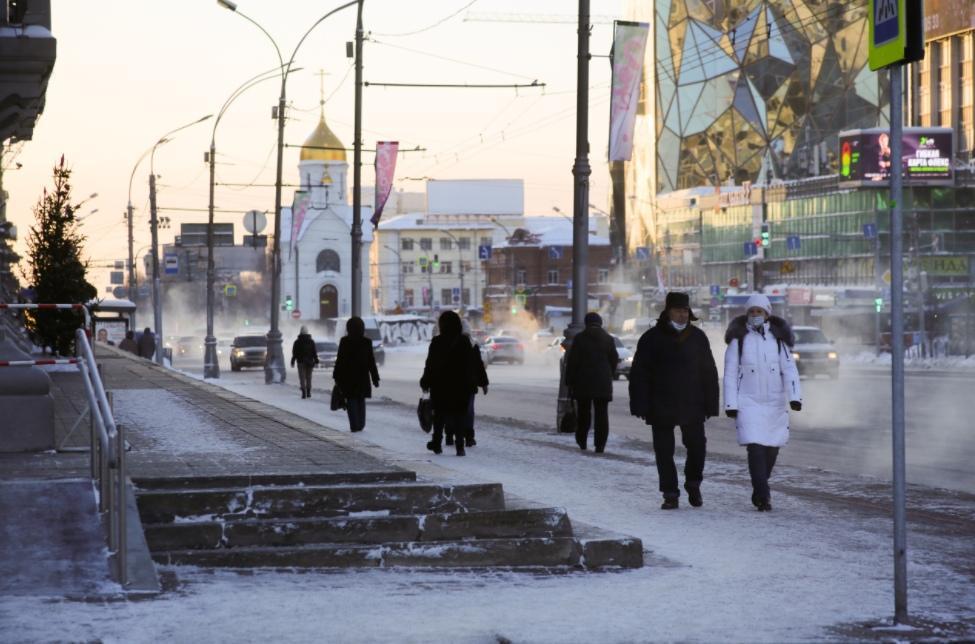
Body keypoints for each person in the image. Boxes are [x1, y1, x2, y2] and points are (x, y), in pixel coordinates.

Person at [629, 292, 719, 510]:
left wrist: (711, 403)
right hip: (661, 403)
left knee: (697, 446)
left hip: (692, 402)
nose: (682, 314)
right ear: (667, 311)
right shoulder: (652, 338)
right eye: (678, 310)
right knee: (663, 451)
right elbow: (640, 373)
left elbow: (709, 372)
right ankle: (670, 493)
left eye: (685, 310)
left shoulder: (697, 337)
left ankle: (693, 483)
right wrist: (640, 404)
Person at [723, 293, 802, 512]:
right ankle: (763, 495)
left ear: (767, 314)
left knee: (771, 450)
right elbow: (729, 375)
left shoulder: (779, 341)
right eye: (752, 311)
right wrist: (731, 404)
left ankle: (760, 486)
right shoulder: (738, 341)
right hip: (748, 402)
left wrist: (795, 397)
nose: (756, 315)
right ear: (747, 314)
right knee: (755, 448)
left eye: (760, 311)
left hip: (774, 403)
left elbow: (790, 371)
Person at [421, 311, 479, 456]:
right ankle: (460, 447)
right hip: (461, 386)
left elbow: (430, 364)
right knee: (459, 415)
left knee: (439, 416)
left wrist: (425, 380)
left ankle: (436, 443)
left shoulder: (437, 342)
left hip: (440, 385)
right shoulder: (464, 342)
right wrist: (472, 383)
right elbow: (470, 365)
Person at [564, 312, 618, 453]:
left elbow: (572, 362)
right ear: (600, 323)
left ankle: (582, 441)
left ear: (586, 323)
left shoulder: (580, 338)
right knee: (602, 415)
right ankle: (600, 445)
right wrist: (608, 375)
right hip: (603, 384)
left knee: (584, 413)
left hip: (583, 383)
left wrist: (569, 381)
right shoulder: (608, 339)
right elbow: (614, 360)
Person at [332, 317, 380, 432]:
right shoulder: (366, 342)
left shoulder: (344, 341)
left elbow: (340, 360)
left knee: (351, 400)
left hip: (347, 378)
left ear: (348, 328)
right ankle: (360, 424)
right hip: (362, 378)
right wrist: (375, 378)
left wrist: (336, 375)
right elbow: (371, 362)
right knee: (360, 400)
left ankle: (354, 425)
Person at [290, 326, 319, 399]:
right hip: (310, 362)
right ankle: (308, 392)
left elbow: (294, 353)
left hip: (300, 362)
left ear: (300, 332)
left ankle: (303, 392)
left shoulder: (297, 342)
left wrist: (293, 360)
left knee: (302, 377)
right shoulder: (311, 341)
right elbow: (314, 352)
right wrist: (316, 359)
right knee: (309, 377)